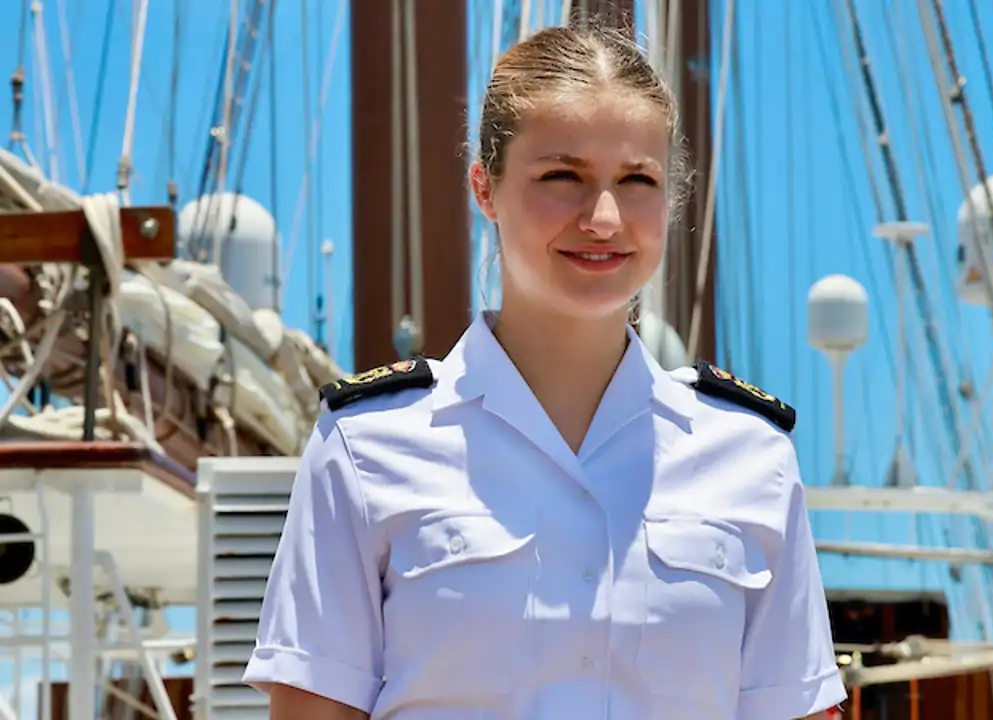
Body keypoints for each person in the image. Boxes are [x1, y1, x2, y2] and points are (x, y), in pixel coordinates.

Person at [242, 20, 845, 720]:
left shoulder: (752, 456)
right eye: (563, 176)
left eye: (638, 179)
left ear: (671, 196)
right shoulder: (362, 448)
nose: (604, 217)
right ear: (484, 188)